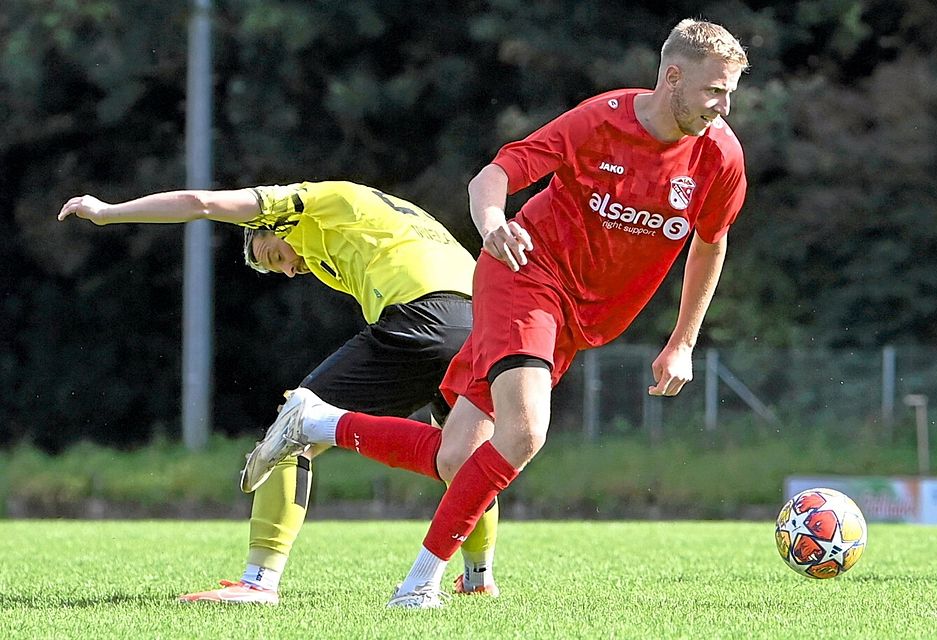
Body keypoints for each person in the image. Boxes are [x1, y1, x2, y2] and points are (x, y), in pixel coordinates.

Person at [241, 18, 750, 609]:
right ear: (672, 76)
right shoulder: (601, 118)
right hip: (524, 276)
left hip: (579, 320)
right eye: (715, 90)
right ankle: (417, 586)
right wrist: (493, 227)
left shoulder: (721, 156)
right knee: (526, 431)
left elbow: (710, 244)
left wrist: (683, 341)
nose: (724, 104)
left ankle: (317, 424)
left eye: (730, 91)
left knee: (457, 457)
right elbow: (496, 175)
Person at [57, 179, 503, 603]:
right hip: (481, 327)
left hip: (423, 319)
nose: (288, 270)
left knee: (294, 427)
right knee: (464, 459)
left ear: (276, 225)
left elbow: (201, 204)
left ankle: (257, 583)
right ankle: (479, 579)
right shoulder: (391, 219)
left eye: (274, 254)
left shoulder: (307, 201)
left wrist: (108, 212)